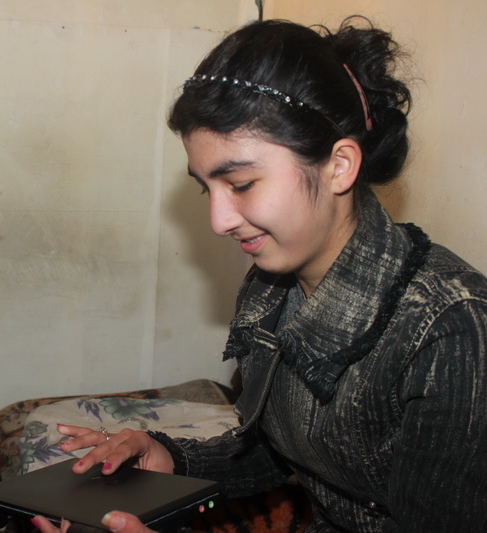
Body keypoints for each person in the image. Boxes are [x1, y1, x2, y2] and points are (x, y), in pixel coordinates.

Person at [32, 15, 487, 533]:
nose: (218, 221)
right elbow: (286, 449)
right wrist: (171, 457)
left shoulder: (453, 328)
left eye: (242, 184)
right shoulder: (272, 286)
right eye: (207, 188)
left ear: (339, 166)